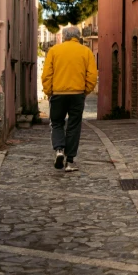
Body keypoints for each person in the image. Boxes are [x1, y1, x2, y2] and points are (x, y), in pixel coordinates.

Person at [41, 26, 98, 172]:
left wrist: (49, 92)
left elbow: (47, 74)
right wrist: (86, 91)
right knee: (74, 125)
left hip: (58, 93)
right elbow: (92, 75)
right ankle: (70, 161)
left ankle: (59, 149)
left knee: (57, 123)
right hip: (77, 94)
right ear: (78, 36)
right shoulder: (86, 51)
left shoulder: (54, 51)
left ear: (64, 36)